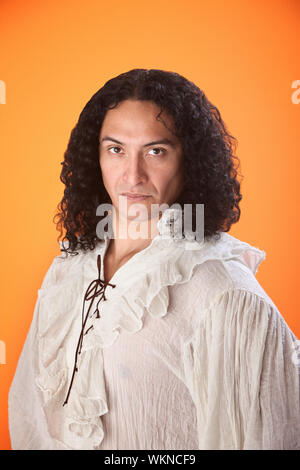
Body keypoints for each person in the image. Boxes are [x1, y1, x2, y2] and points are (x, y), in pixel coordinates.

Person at [8, 69, 300, 450]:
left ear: (189, 160)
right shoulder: (69, 270)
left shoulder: (225, 293)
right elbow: (30, 418)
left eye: (155, 151)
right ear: (95, 157)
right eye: (116, 149)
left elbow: (271, 436)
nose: (133, 175)